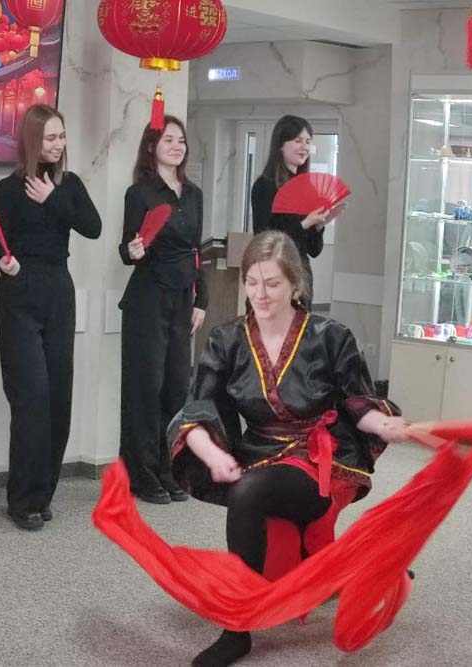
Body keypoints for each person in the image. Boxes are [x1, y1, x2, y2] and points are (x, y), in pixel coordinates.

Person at [166, 231, 407, 666]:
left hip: (319, 460)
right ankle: (345, 567)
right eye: (252, 282)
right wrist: (213, 454)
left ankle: (236, 629)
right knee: (252, 489)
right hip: (258, 453)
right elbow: (195, 411)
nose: (260, 294)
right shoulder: (227, 339)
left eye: (273, 283)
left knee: (249, 492)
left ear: (296, 284)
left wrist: (383, 423)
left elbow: (358, 403)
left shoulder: (330, 336)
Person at [0, 104, 102, 531]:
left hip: (59, 289)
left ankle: (43, 493)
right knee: (30, 397)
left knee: (57, 397)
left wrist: (53, 200)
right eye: (50, 137)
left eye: (62, 136)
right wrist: (4, 263)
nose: (58, 144)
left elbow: (92, 227)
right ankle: (22, 499)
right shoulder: (6, 190)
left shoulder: (69, 185)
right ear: (32, 141)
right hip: (20, 291)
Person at [118, 116, 207, 504]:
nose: (176, 146)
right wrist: (132, 250)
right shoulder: (139, 193)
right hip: (148, 297)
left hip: (182, 298)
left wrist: (201, 300)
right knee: (145, 388)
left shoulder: (193, 194)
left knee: (176, 387)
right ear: (152, 146)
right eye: (169, 140)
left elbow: (197, 250)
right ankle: (140, 473)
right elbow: (126, 249)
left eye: (181, 140)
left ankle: (168, 470)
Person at [250, 115, 339, 308]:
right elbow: (263, 238)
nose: (304, 147)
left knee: (302, 326)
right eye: (298, 140)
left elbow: (314, 251)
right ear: (280, 145)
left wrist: (319, 226)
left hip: (302, 275)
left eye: (308, 141)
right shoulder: (265, 185)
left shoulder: (307, 188)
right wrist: (305, 223)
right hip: (275, 274)